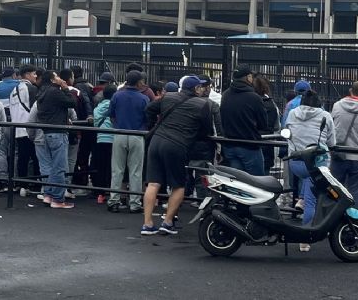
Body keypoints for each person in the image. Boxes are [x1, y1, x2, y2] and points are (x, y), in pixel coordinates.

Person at [141, 76, 214, 235]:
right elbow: (207, 129)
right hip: (177, 144)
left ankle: (147, 224)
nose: (202, 89)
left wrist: (152, 124)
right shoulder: (203, 104)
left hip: (156, 140)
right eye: (200, 87)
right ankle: (167, 222)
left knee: (153, 184)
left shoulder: (168, 96)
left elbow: (149, 109)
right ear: (196, 89)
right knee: (178, 185)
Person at [285, 90, 336, 252]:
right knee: (311, 201)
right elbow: (332, 141)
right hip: (316, 164)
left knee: (306, 184)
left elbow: (286, 132)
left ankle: (300, 198)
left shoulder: (292, 113)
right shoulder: (325, 116)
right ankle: (305, 238)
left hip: (295, 162)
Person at [33, 70, 78, 209]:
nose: (59, 78)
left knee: (52, 167)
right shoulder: (55, 92)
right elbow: (72, 102)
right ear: (52, 80)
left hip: (46, 132)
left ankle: (48, 194)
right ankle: (58, 199)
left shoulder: (42, 92)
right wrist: (65, 89)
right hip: (58, 133)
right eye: (56, 76)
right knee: (59, 167)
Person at [108, 71, 149, 213]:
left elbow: (111, 115)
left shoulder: (117, 95)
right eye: (142, 81)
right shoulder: (143, 98)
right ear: (138, 82)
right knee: (136, 172)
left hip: (119, 134)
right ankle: (135, 203)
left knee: (117, 170)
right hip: (137, 135)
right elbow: (147, 118)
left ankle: (113, 201)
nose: (143, 83)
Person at [330, 81, 358, 210]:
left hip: (340, 152)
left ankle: (333, 217)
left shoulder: (337, 105)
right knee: (356, 190)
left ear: (351, 91)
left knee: (336, 188)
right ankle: (353, 221)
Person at [220, 64, 269, 176]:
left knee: (238, 181)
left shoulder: (226, 95)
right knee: (257, 182)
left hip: (230, 144)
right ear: (248, 77)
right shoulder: (254, 97)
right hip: (249, 145)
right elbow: (263, 124)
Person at [9, 64, 40, 196]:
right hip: (30, 129)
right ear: (27, 74)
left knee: (22, 158)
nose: (36, 76)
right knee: (36, 157)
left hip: (17, 129)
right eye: (34, 74)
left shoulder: (14, 90)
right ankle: (37, 185)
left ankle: (21, 184)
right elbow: (36, 108)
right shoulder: (31, 88)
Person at [70, 66, 96, 189]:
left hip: (82, 123)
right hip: (87, 124)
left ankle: (80, 180)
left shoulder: (78, 87)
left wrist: (88, 115)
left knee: (80, 154)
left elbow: (85, 101)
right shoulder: (87, 85)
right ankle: (82, 179)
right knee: (83, 154)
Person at [92, 85, 117, 204]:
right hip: (112, 139)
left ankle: (100, 194)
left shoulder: (98, 107)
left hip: (100, 139)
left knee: (101, 167)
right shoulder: (114, 105)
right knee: (112, 168)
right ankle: (112, 192)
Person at [254, 75, 281, 175]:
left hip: (249, 143)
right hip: (267, 143)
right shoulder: (271, 104)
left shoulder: (247, 101)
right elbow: (277, 126)